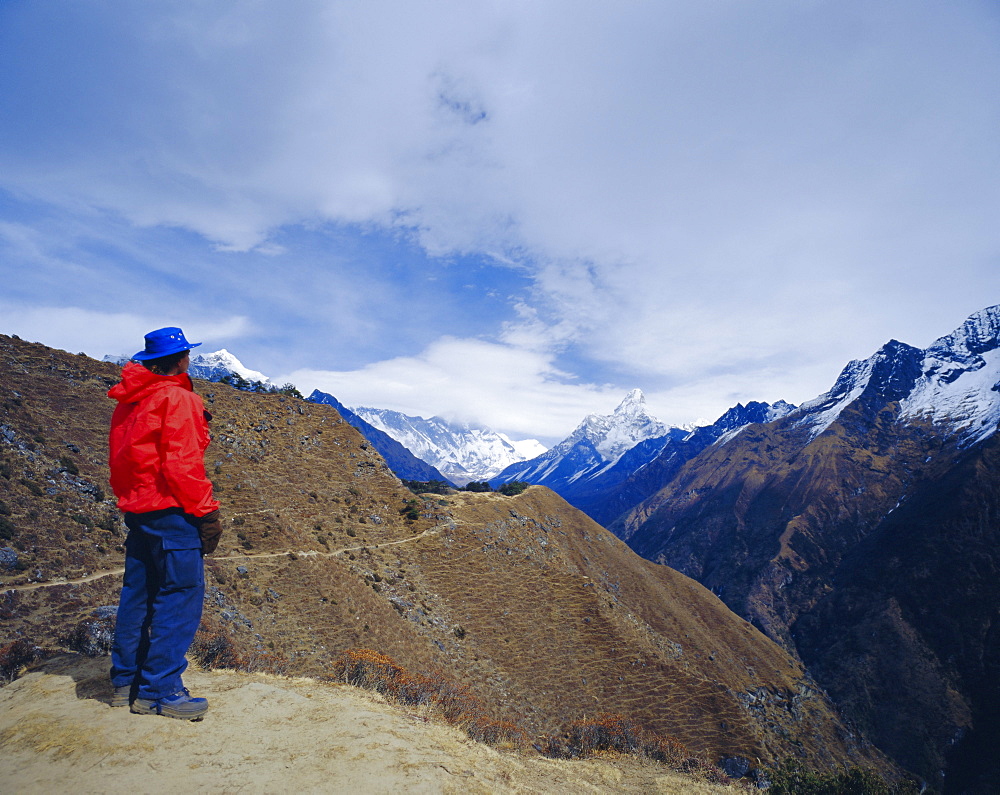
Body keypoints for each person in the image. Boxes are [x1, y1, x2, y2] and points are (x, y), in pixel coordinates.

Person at [107, 327, 223, 720]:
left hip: (139, 512)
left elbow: (122, 461)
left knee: (137, 595)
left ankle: (126, 682)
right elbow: (182, 464)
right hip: (174, 513)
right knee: (180, 597)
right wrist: (206, 513)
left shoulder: (130, 401)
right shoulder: (178, 398)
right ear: (181, 359)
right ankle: (161, 692)